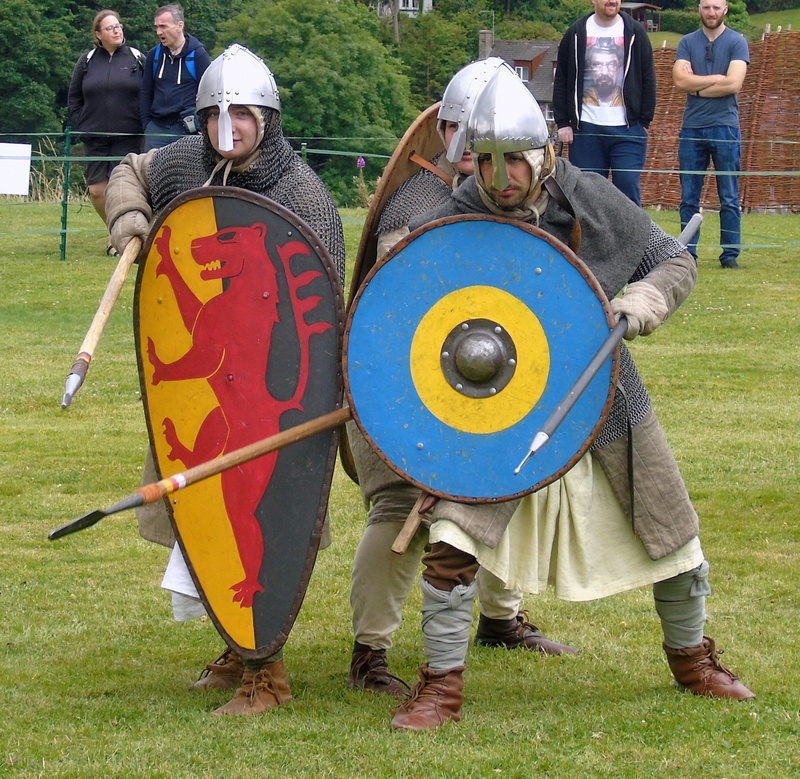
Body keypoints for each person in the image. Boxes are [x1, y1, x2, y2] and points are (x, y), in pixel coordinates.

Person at [385, 65, 754, 732]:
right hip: (491, 412)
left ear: (543, 155)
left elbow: (673, 258)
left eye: (514, 163)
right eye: (488, 162)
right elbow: (409, 301)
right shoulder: (453, 213)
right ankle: (440, 687)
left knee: (670, 527)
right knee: (450, 536)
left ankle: (694, 661)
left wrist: (643, 298)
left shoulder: (587, 198)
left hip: (599, 390)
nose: (500, 179)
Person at [106, 43, 345, 716]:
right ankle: (239, 650)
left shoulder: (301, 195)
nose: (228, 127)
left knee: (258, 518)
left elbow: (319, 323)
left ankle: (266, 672)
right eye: (216, 113)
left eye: (242, 114)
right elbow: (130, 170)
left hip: (265, 401)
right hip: (214, 388)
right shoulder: (185, 163)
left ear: (267, 118)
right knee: (205, 512)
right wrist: (131, 220)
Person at [347, 58, 577, 701]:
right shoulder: (421, 201)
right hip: (401, 388)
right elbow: (401, 305)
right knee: (401, 512)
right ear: (453, 130)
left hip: (490, 381)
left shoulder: (514, 202)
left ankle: (502, 620)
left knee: (508, 483)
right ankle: (370, 651)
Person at [553, 0, 656, 206]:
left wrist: (642, 122)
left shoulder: (635, 32)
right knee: (586, 195)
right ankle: (589, 239)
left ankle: (630, 239)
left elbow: (648, 76)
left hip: (628, 130)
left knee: (627, 190)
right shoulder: (575, 33)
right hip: (586, 130)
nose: (612, 1)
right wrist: (564, 122)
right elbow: (562, 78)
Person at [672, 0, 749, 270]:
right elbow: (680, 81)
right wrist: (717, 79)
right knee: (688, 197)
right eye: (706, 7)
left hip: (725, 127)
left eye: (716, 7)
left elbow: (735, 83)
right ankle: (687, 254)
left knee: (728, 196)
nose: (711, 12)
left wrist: (698, 88)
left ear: (725, 9)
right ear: (699, 9)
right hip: (692, 128)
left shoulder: (737, 42)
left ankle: (730, 255)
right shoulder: (687, 43)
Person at [67, 9, 145, 256]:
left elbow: (147, 94)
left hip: (129, 137)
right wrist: (82, 124)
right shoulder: (87, 61)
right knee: (98, 191)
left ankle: (116, 240)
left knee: (121, 190)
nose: (117, 30)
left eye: (118, 26)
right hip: (95, 137)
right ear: (98, 34)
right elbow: (74, 98)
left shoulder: (136, 58)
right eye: (110, 28)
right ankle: (113, 232)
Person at [140, 3, 211, 151]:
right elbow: (146, 92)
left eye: (163, 26)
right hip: (156, 130)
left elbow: (209, 94)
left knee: (187, 174)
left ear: (179, 26)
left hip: (187, 130)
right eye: (157, 27)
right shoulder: (154, 56)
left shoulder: (198, 55)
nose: (159, 32)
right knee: (152, 173)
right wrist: (147, 125)